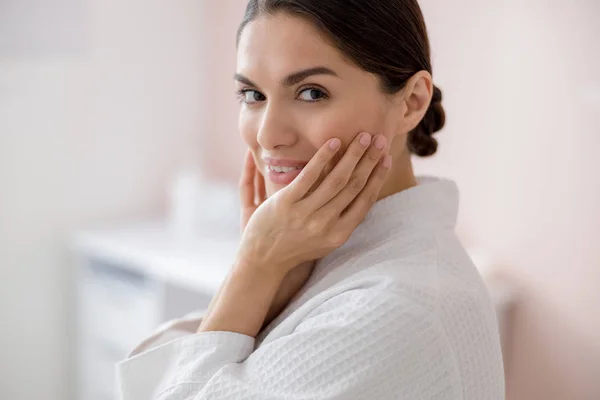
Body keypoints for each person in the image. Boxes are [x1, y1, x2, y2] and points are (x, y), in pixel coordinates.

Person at [117, 0, 505, 398]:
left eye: (312, 93)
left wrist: (254, 264)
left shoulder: (395, 308)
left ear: (411, 103)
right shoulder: (312, 260)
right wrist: (270, 277)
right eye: (252, 94)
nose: (268, 135)